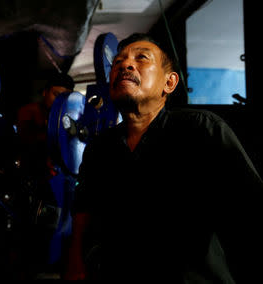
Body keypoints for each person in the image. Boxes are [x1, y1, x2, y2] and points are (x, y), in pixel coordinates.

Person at [63, 33, 263, 282]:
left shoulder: (202, 130)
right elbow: (84, 212)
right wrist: (75, 267)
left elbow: (253, 213)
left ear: (169, 83)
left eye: (141, 58)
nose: (125, 64)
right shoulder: (100, 147)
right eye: (118, 62)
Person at [16, 71, 75, 278]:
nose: (60, 100)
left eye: (65, 97)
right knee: (34, 236)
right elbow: (27, 140)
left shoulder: (70, 118)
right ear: (44, 93)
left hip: (60, 184)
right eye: (56, 94)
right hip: (33, 183)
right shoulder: (30, 111)